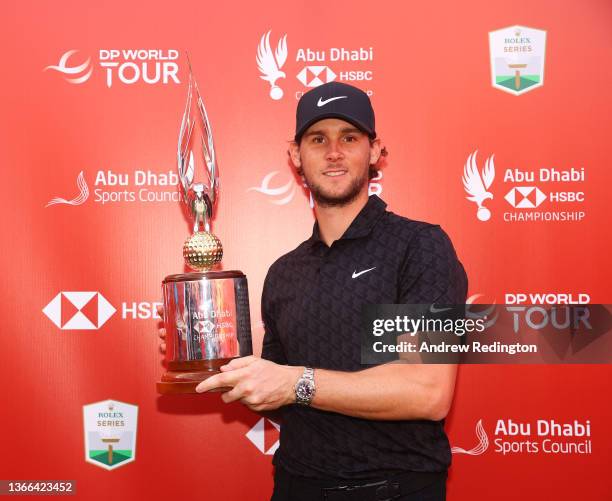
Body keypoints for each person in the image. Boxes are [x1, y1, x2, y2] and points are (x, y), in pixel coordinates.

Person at [159, 81, 467, 500]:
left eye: (350, 138)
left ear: (375, 151)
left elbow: (426, 392)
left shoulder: (418, 247)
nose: (334, 152)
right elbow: (278, 398)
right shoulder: (285, 272)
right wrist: (208, 349)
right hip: (295, 486)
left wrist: (295, 383)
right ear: (295, 155)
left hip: (395, 490)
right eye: (318, 139)